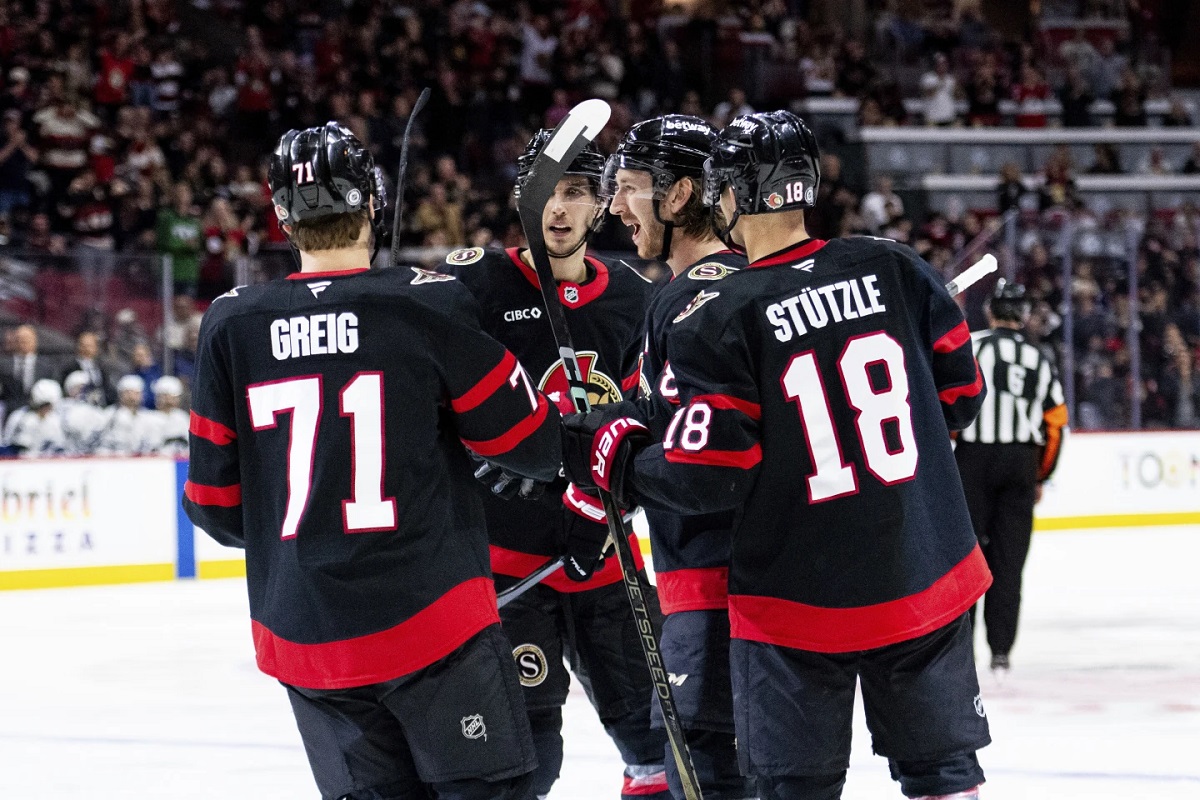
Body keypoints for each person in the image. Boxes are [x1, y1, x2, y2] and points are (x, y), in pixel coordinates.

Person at [561, 111, 993, 800]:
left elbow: (708, 477)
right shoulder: (893, 261)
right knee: (942, 775)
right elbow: (963, 398)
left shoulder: (721, 312)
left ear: (726, 192)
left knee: (790, 784)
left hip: (797, 594)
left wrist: (620, 458)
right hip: (924, 566)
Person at [183, 121, 562, 800]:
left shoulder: (231, 321)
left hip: (305, 633)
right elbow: (531, 444)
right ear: (371, 205)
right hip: (433, 621)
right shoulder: (425, 301)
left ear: (280, 215)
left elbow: (213, 507)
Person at [443, 130, 668, 800]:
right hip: (509, 577)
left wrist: (613, 498)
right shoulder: (471, 286)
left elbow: (649, 427)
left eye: (577, 192)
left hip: (607, 563)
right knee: (527, 763)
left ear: (602, 204)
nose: (560, 209)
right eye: (547, 192)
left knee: (660, 746)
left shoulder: (635, 297)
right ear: (521, 198)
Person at [602, 114, 752, 800]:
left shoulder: (687, 300)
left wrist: (615, 462)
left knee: (709, 770)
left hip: (712, 589)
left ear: (681, 193)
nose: (616, 207)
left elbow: (702, 466)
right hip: (763, 586)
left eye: (630, 187)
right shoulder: (756, 282)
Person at [954, 280, 1068, 674]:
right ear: (1022, 315)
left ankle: (961, 652)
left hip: (971, 461)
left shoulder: (971, 345)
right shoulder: (1040, 356)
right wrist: (1041, 474)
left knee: (965, 560)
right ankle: (1001, 651)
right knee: (1009, 560)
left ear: (990, 312)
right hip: (1020, 463)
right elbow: (1055, 423)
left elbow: (945, 403)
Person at [1, 378, 67, 457]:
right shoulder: (19, 417)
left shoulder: (55, 420)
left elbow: (60, 447)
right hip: (20, 464)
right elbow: (8, 446)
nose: (46, 409)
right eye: (44, 405)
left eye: (49, 406)